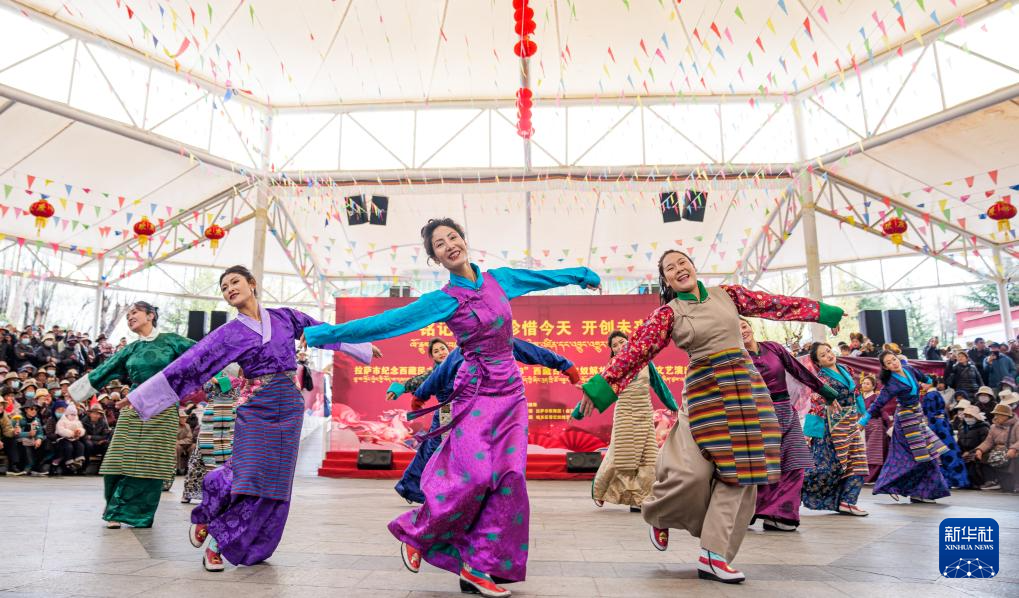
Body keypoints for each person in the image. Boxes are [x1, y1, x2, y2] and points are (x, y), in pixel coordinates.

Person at [304, 218, 600, 597]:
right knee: (475, 476)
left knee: (510, 479)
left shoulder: (499, 281)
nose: (449, 245)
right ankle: (417, 533)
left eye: (452, 237)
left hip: (511, 393)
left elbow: (542, 278)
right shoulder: (443, 300)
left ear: (464, 240)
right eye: (440, 244)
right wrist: (325, 335)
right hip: (475, 392)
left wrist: (581, 275)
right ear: (436, 258)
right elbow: (387, 322)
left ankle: (478, 566)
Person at [574, 249, 843, 584]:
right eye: (670, 268)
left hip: (745, 389)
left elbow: (775, 304)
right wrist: (599, 388)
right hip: (704, 391)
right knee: (692, 473)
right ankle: (659, 514)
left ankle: (713, 555)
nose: (678, 269)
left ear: (693, 265)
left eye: (682, 262)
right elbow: (636, 351)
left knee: (742, 474)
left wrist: (823, 313)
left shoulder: (727, 295)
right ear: (666, 280)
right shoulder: (668, 314)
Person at [124, 265, 375, 572]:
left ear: (252, 284)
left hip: (289, 405)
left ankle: (233, 539)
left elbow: (322, 330)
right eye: (224, 287)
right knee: (249, 475)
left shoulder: (285, 317)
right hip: (257, 405)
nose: (230, 289)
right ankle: (214, 527)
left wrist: (359, 346)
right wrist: (142, 397)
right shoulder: (229, 333)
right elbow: (190, 364)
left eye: (235, 282)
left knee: (276, 483)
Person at [402, 337, 578, 506]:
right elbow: (436, 375)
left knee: (496, 455)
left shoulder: (500, 341)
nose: (440, 352)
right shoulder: (462, 350)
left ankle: (488, 495)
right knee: (439, 451)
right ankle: (431, 491)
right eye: (436, 351)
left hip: (497, 410)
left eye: (442, 349)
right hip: (460, 413)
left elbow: (532, 351)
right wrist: (419, 395)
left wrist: (563, 364)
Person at [68, 301, 197, 529]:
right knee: (118, 459)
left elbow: (204, 353)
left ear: (150, 315)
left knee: (150, 463)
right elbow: (105, 370)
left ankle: (137, 514)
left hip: (163, 407)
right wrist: (75, 392)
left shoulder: (171, 340)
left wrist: (232, 370)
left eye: (134, 312)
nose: (129, 317)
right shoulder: (131, 349)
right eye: (127, 315)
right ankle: (114, 509)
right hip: (133, 406)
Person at [740, 320, 837, 531]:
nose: (742, 330)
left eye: (744, 325)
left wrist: (826, 392)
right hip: (758, 416)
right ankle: (748, 510)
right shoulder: (734, 356)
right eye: (735, 327)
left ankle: (781, 514)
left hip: (786, 411)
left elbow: (798, 370)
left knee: (796, 462)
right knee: (765, 467)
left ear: (750, 327)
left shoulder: (773, 347)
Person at [585, 330, 676, 512]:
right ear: (612, 351)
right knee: (619, 456)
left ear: (629, 342)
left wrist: (672, 404)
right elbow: (598, 393)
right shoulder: (614, 367)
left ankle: (640, 499)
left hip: (644, 413)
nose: (619, 346)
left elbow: (659, 385)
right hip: (625, 413)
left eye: (621, 342)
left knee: (649, 458)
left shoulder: (644, 361)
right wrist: (579, 411)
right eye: (614, 345)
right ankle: (600, 490)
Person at [858, 351, 950, 503]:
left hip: (918, 417)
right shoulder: (891, 383)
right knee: (916, 457)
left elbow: (925, 378)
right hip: (906, 421)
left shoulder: (909, 369)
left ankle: (920, 493)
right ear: (885, 367)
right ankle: (896, 487)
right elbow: (877, 404)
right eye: (889, 363)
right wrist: (862, 422)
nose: (893, 363)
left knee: (929, 455)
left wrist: (928, 381)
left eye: (894, 359)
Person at [801, 343, 869, 517]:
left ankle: (848, 501)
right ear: (818, 362)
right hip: (831, 426)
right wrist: (809, 433)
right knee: (828, 467)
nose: (829, 355)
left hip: (851, 422)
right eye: (823, 355)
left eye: (829, 351)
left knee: (858, 462)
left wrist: (863, 412)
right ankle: (794, 489)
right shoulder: (821, 379)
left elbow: (856, 392)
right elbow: (816, 402)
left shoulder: (846, 369)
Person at [181, 370, 240, 505]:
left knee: (228, 453)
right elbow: (206, 388)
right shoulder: (213, 371)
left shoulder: (234, 371)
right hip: (212, 414)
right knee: (202, 453)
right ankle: (191, 492)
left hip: (229, 416)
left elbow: (228, 384)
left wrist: (214, 377)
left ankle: (223, 492)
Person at [921, 380, 970, 489]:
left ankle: (948, 480)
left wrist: (929, 430)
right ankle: (958, 479)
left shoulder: (930, 396)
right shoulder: (937, 394)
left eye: (924, 383)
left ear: (930, 383)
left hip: (936, 426)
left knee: (941, 453)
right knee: (950, 451)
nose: (922, 385)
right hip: (943, 425)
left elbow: (930, 414)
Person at [387, 338, 450, 404]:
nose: (441, 353)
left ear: (448, 350)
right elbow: (415, 381)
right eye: (436, 351)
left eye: (443, 349)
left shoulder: (457, 364)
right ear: (433, 357)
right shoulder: (433, 374)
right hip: (446, 406)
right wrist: (397, 389)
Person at [974, 403, 1019, 492]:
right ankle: (991, 481)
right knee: (981, 457)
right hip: (998, 452)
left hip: (1012, 451)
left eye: (998, 415)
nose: (996, 417)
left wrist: (1014, 448)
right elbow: (988, 442)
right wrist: (980, 450)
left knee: (1015, 459)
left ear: (1006, 416)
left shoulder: (1017, 425)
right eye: (995, 414)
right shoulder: (993, 426)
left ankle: (1016, 483)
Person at [859, 375, 891, 484]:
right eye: (863, 383)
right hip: (864, 427)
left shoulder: (875, 397)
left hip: (876, 427)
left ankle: (871, 477)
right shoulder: (861, 398)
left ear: (873, 386)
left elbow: (883, 412)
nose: (865, 385)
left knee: (873, 453)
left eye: (868, 383)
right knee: (864, 453)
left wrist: (889, 426)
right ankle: (866, 476)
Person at [956, 404, 991, 489]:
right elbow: (959, 442)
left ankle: (979, 482)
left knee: (972, 469)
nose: (968, 418)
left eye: (970, 416)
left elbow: (984, 443)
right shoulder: (962, 427)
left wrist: (970, 452)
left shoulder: (983, 428)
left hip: (977, 452)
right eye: (966, 416)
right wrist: (960, 452)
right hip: (964, 453)